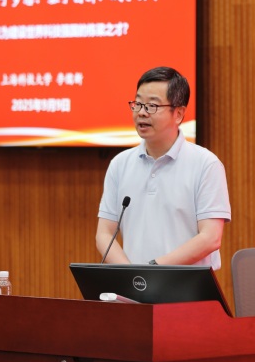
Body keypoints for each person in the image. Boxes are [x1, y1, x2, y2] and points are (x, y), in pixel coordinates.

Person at [95, 66, 231, 270]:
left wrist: (155, 268)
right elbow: (104, 233)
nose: (141, 113)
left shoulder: (206, 164)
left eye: (152, 106)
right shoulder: (120, 164)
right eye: (138, 104)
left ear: (178, 114)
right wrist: (130, 275)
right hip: (135, 286)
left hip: (188, 286)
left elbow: (210, 237)